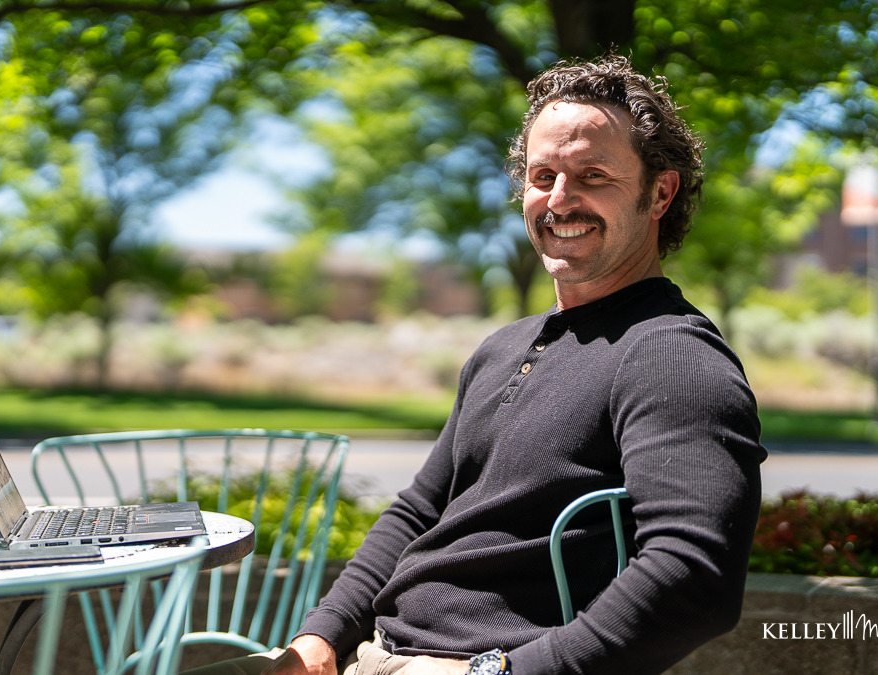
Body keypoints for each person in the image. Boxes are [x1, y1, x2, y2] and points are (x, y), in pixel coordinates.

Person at [192, 54, 766, 675]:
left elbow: (694, 574)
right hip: (373, 655)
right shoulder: (502, 348)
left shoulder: (671, 354)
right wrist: (321, 638)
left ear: (660, 192)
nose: (560, 199)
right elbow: (418, 513)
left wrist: (505, 674)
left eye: (593, 175)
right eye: (543, 175)